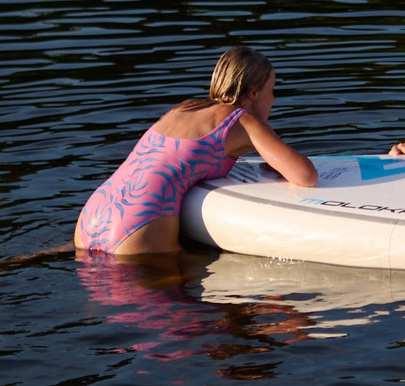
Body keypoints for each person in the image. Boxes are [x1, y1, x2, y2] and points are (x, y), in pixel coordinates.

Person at [75, 46, 316, 255]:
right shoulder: (242, 121)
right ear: (253, 93)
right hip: (139, 222)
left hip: (92, 215)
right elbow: (305, 175)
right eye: (272, 90)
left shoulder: (184, 109)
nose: (273, 99)